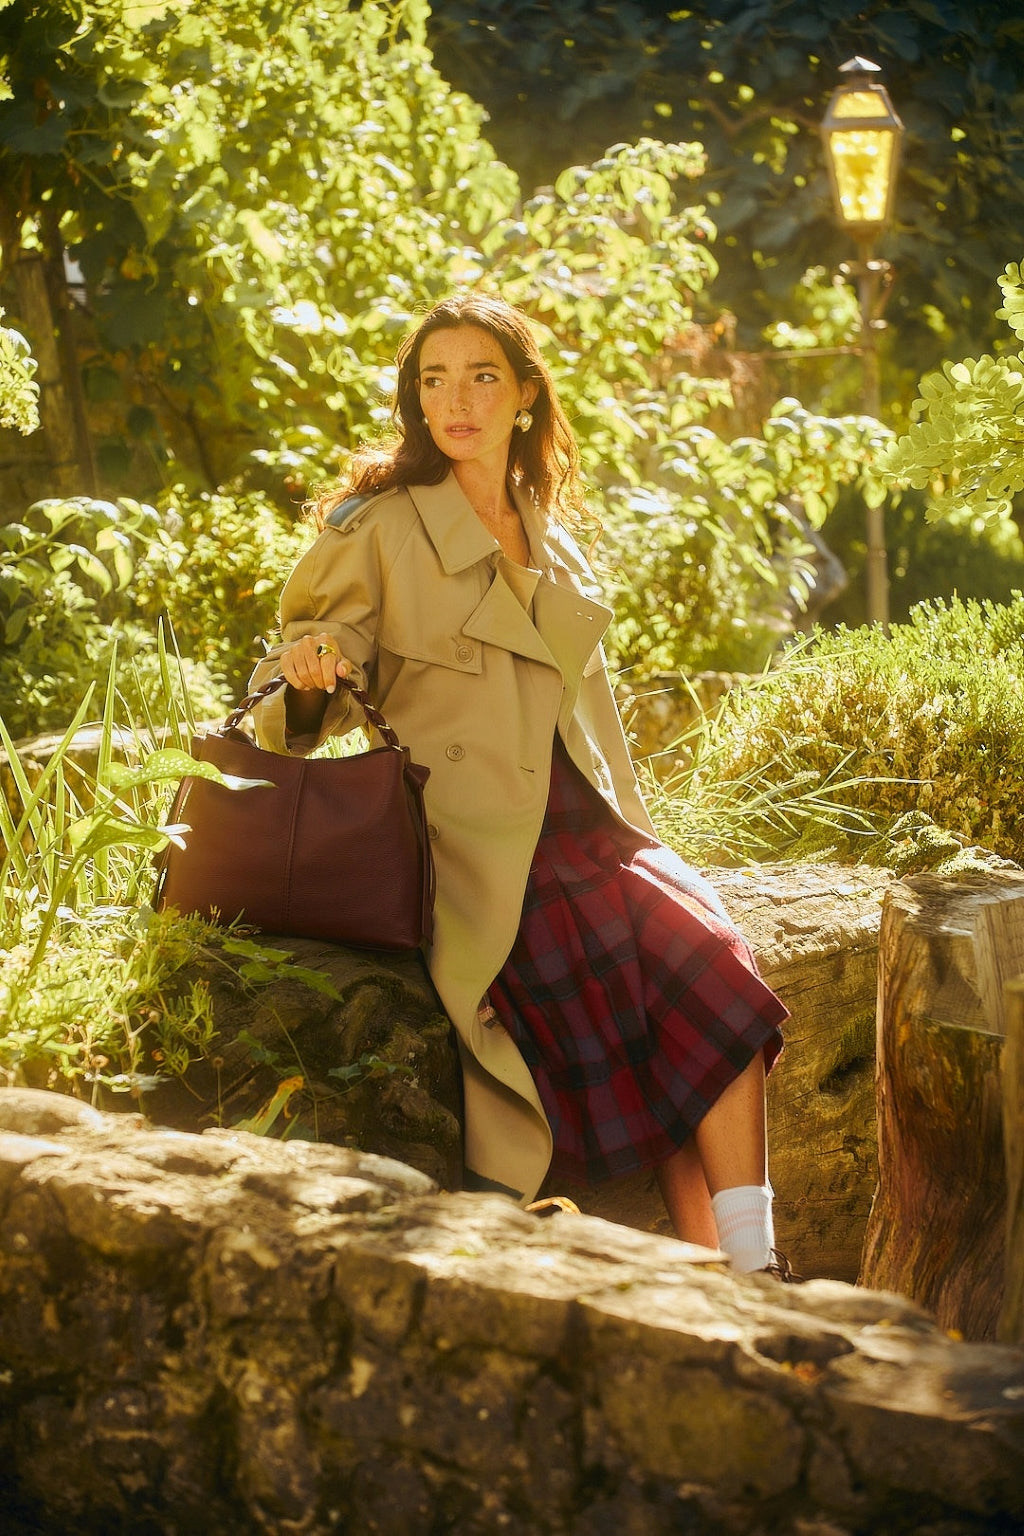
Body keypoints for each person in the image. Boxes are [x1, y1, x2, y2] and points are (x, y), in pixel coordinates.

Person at [248, 293, 788, 1275]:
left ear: (527, 397)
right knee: (639, 1027)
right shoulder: (377, 528)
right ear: (415, 401)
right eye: (433, 378)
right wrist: (312, 664)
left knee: (716, 974)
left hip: (598, 834)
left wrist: (645, 833)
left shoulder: (557, 537)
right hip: (479, 851)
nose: (455, 399)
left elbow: (596, 722)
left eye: (481, 375)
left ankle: (753, 1271)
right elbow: (310, 670)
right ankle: (728, 1281)